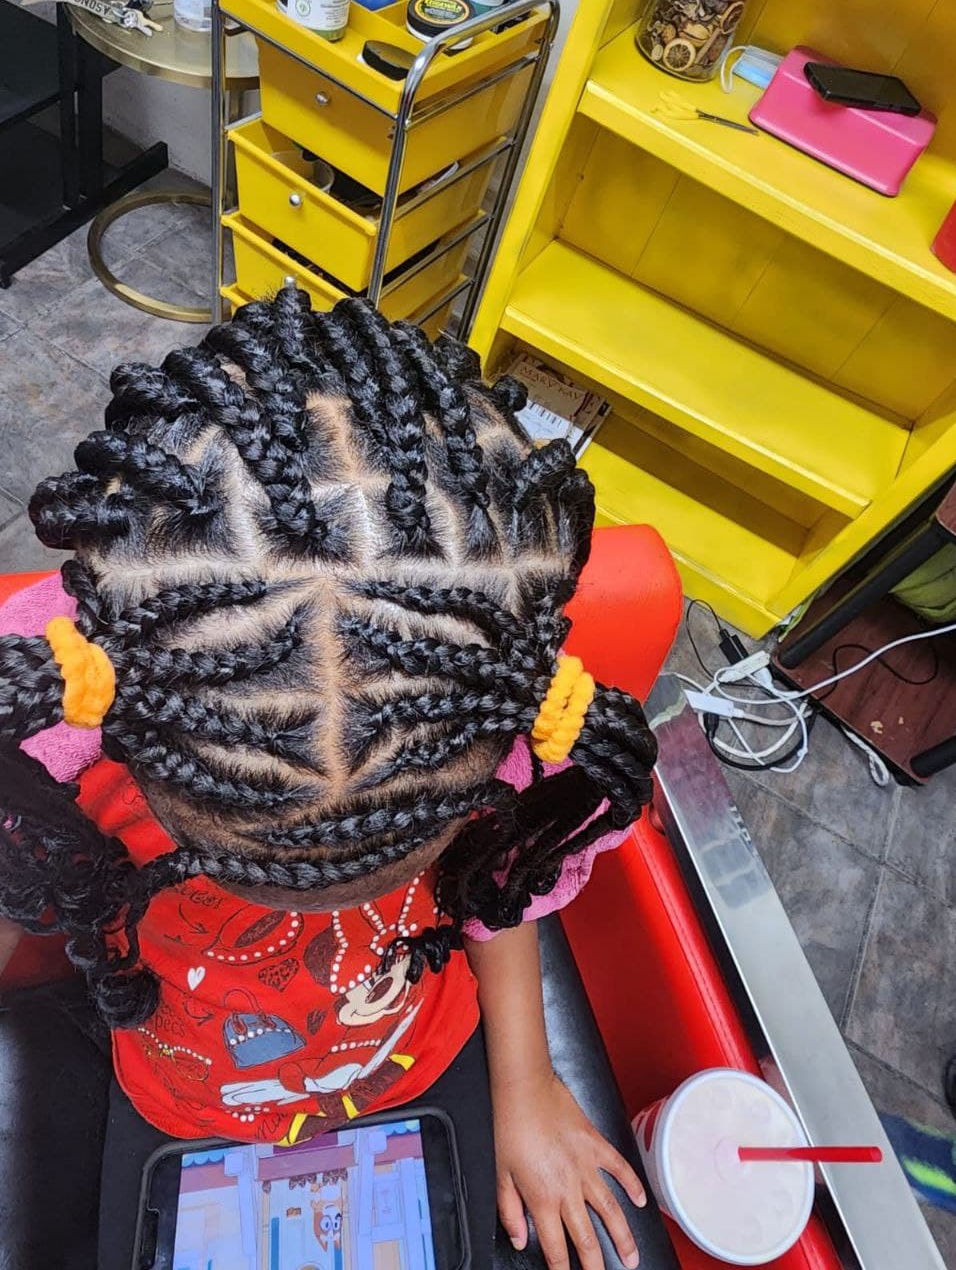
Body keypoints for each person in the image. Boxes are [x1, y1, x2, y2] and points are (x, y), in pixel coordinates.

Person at [0, 292, 657, 1270]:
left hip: (418, 1046)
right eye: (225, 863)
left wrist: (526, 1079)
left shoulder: (509, 717)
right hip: (177, 1085)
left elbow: (499, 887)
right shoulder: (54, 726)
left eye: (393, 858)